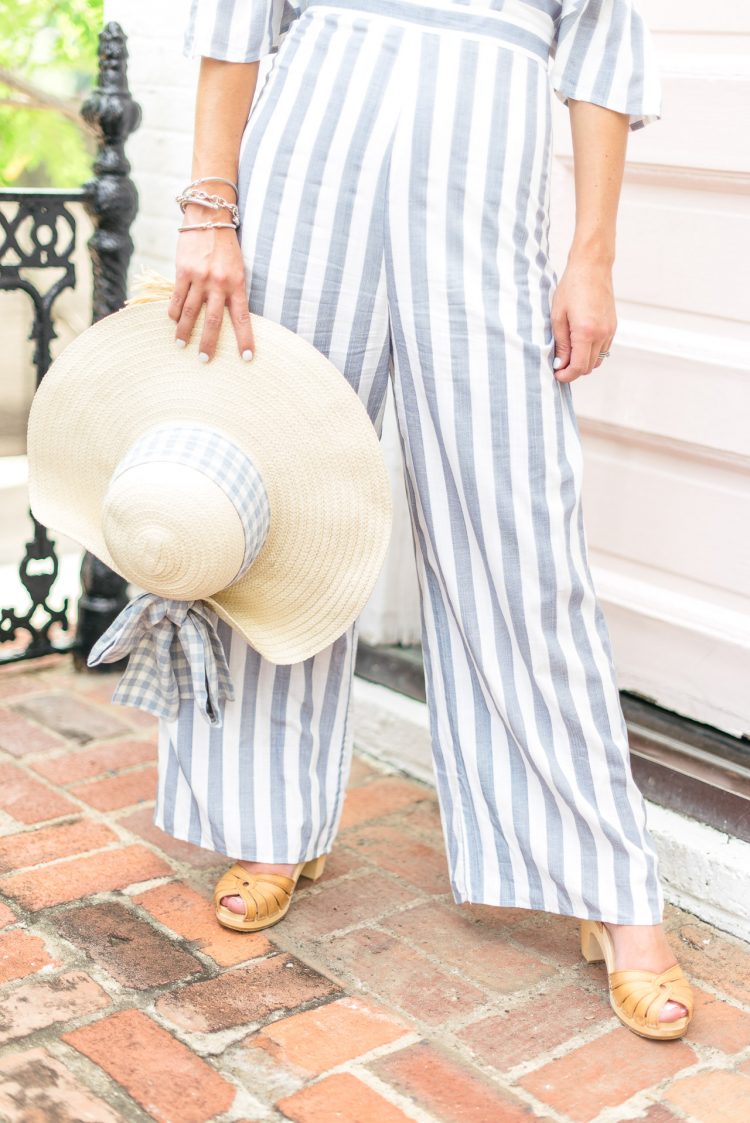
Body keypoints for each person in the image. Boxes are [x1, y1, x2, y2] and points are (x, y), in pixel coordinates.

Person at [166, 0, 693, 1038]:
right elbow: (238, 18)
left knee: (521, 540)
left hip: (483, 198)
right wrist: (208, 210)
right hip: (308, 161)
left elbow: (600, 52)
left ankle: (608, 879)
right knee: (282, 504)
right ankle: (268, 820)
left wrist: (592, 256)